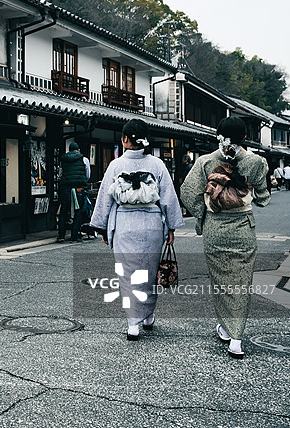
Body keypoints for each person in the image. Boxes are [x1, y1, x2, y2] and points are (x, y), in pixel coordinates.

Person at [180, 116, 269, 360]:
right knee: (241, 282)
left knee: (220, 281)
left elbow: (187, 192)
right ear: (245, 138)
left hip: (215, 229)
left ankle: (227, 328)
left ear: (217, 136)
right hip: (242, 228)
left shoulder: (205, 161)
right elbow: (262, 198)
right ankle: (236, 338)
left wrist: (203, 215)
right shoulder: (256, 162)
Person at [88, 119, 184, 341]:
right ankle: (148, 315)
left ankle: (133, 323)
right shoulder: (157, 165)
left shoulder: (115, 166)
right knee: (149, 273)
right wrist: (171, 228)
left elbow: (105, 199)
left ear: (124, 139)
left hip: (124, 224)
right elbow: (168, 198)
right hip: (151, 225)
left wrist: (102, 227)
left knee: (128, 274)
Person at [57, 142, 89, 243]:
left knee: (63, 211)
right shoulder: (84, 159)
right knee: (78, 212)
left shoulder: (63, 159)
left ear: (69, 150)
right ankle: (74, 236)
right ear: (78, 150)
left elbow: (60, 174)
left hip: (66, 188)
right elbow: (87, 175)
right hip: (78, 188)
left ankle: (61, 236)